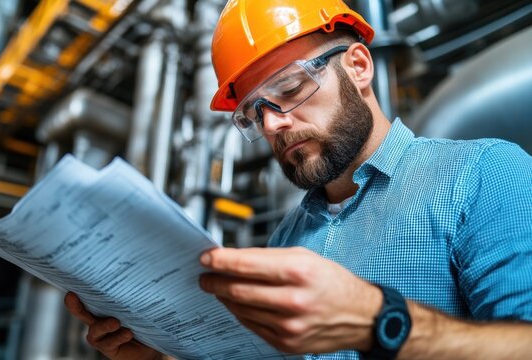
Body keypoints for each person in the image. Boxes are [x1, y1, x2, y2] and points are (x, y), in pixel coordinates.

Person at [64, 0, 532, 359]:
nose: (271, 125)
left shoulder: (483, 175)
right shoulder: (286, 241)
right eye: (254, 113)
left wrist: (379, 322)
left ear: (358, 66)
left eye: (288, 89)